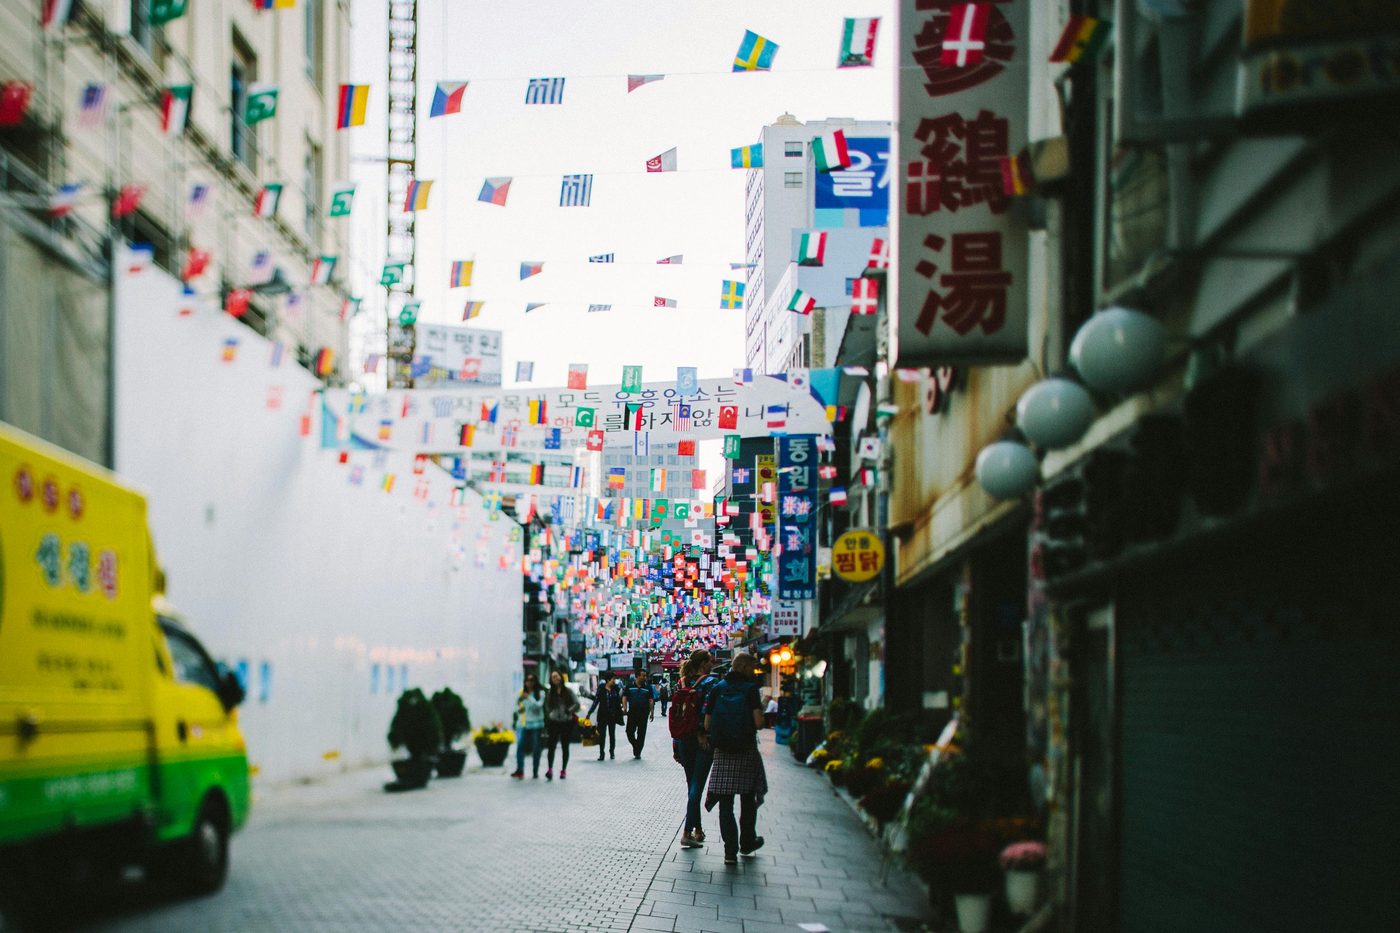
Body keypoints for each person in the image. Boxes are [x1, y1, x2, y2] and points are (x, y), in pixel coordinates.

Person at [703, 652, 767, 865]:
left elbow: (707, 724)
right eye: (752, 668)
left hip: (722, 751)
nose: (754, 671)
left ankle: (730, 851)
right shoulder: (751, 690)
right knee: (747, 799)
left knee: (725, 804)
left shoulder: (717, 688)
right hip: (745, 749)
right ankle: (747, 841)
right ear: (744, 668)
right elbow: (758, 722)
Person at [671, 649, 722, 849]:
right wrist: (703, 733)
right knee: (696, 787)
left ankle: (698, 830)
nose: (712, 663)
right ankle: (686, 833)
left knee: (693, 785)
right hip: (702, 741)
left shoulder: (681, 682)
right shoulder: (710, 683)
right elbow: (707, 711)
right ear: (703, 663)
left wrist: (676, 744)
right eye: (710, 661)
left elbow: (677, 715)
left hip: (683, 739)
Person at [543, 670, 580, 780]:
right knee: (551, 747)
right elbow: (546, 706)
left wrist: (569, 711)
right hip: (554, 722)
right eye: (553, 677)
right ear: (551, 680)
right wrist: (550, 714)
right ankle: (550, 769)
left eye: (557, 676)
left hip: (566, 722)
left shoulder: (568, 691)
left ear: (560, 677)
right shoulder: (550, 693)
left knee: (565, 747)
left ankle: (563, 770)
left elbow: (577, 704)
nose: (555, 678)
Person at [511, 671, 546, 780]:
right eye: (527, 680)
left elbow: (538, 706)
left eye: (531, 680)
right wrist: (520, 708)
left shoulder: (540, 693)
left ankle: (535, 771)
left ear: (535, 682)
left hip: (536, 724)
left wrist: (529, 698)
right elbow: (517, 707)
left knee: (536, 748)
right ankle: (520, 770)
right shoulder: (522, 693)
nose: (529, 682)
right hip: (523, 724)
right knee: (520, 747)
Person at [586, 671, 624, 760]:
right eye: (613, 679)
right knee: (602, 736)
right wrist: (589, 712)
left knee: (612, 735)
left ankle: (612, 752)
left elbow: (620, 699)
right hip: (602, 716)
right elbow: (596, 701)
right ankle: (601, 754)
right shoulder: (601, 688)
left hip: (612, 716)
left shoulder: (616, 688)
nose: (614, 681)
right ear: (608, 680)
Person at [623, 669, 656, 758]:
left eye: (645, 676)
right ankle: (635, 745)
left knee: (641, 733)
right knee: (629, 731)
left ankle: (638, 752)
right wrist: (625, 708)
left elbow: (651, 700)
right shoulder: (629, 686)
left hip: (644, 713)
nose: (645, 677)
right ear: (637, 676)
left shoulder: (648, 688)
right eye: (643, 676)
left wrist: (652, 712)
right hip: (632, 713)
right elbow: (625, 697)